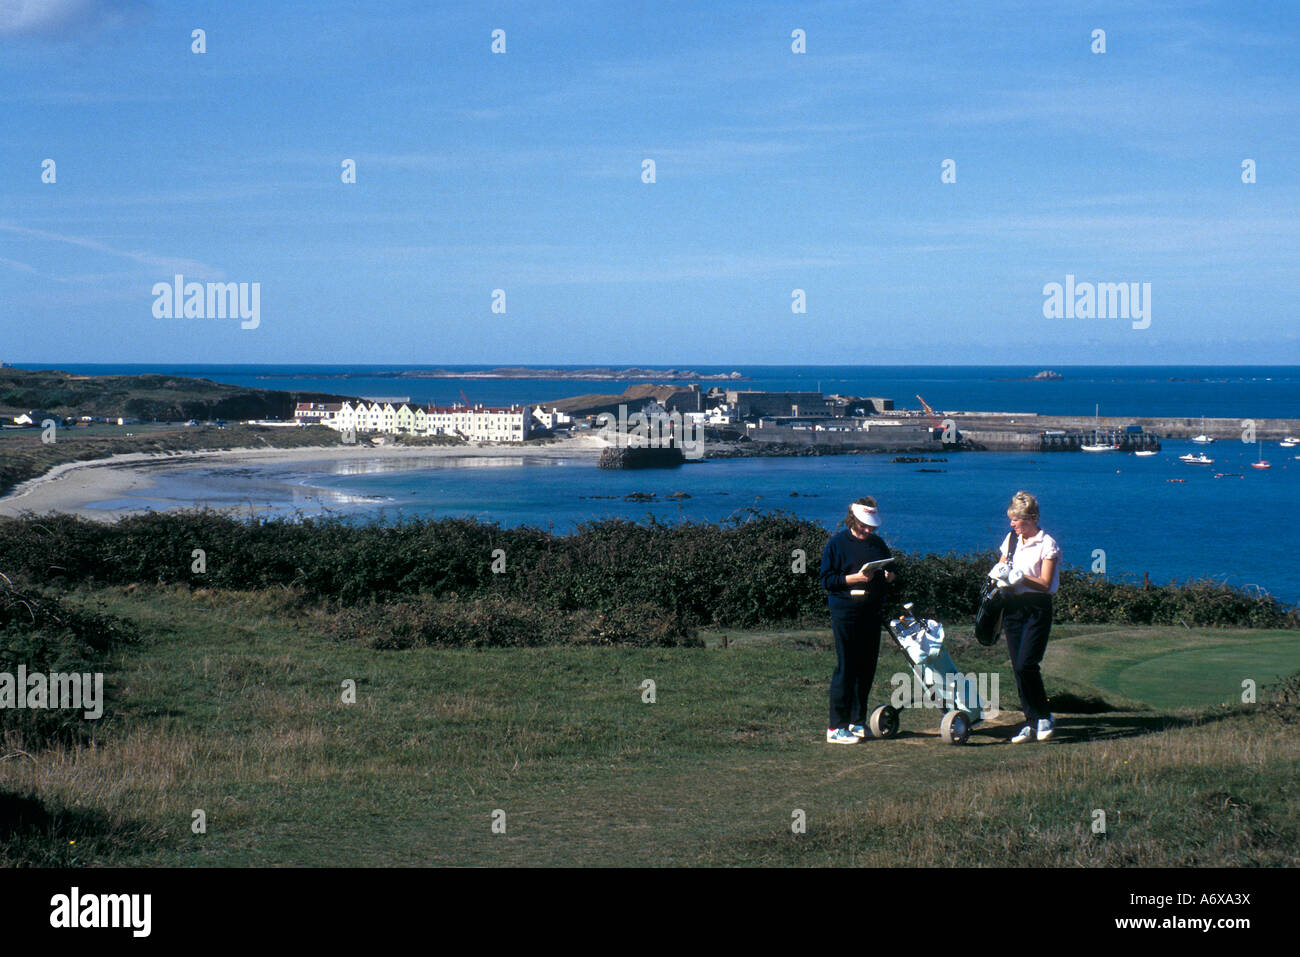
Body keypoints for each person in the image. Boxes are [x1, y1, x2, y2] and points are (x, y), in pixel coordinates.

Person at [818, 497, 896, 744]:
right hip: (845, 611)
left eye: (871, 526)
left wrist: (889, 576)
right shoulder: (836, 544)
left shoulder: (878, 544)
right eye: (863, 525)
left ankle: (856, 721)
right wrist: (853, 579)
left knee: (866, 668)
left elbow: (890, 573)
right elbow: (827, 580)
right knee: (847, 667)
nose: (867, 530)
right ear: (853, 520)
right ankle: (836, 727)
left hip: (871, 611)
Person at [990, 490, 1061, 743]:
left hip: (1036, 608)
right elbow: (1001, 566)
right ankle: (1031, 722)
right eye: (1011, 520)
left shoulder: (1047, 543)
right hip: (1012, 607)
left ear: (1030, 518)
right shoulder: (1011, 540)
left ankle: (1043, 716)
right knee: (1018, 669)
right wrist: (1000, 575)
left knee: (1026, 664)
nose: (1012, 524)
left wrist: (1020, 575)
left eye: (1016, 520)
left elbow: (1044, 582)